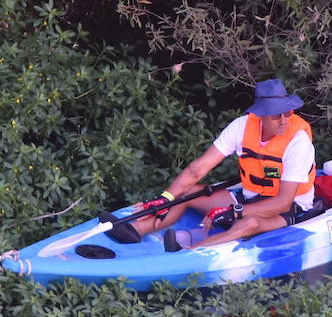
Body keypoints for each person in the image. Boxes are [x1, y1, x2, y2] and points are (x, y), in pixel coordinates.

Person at [103, 78, 318, 251]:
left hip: (291, 206)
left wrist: (235, 212)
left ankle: (189, 252)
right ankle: (137, 229)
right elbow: (197, 169)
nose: (284, 120)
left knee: (248, 224)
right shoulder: (241, 127)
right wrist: (164, 198)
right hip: (250, 196)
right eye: (276, 115)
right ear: (261, 114)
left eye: (287, 113)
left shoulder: (298, 141)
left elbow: (282, 202)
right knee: (185, 192)